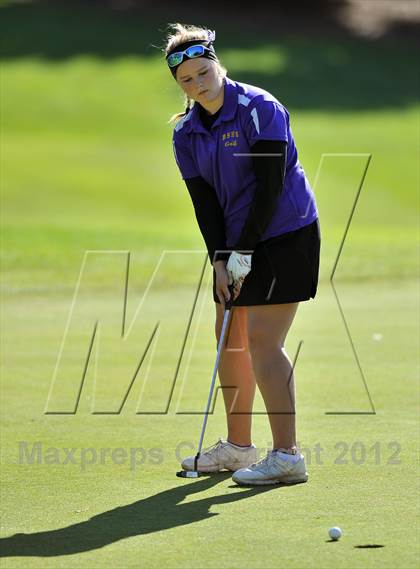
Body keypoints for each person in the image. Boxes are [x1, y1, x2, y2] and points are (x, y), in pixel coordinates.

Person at [165, 23, 320, 486]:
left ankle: (288, 455)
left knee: (262, 343)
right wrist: (219, 258)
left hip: (286, 232)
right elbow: (205, 203)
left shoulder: (259, 107)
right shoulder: (186, 133)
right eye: (186, 80)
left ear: (217, 63)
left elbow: (270, 188)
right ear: (179, 85)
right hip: (236, 241)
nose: (198, 83)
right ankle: (237, 447)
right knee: (228, 337)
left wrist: (245, 252)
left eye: (202, 70)